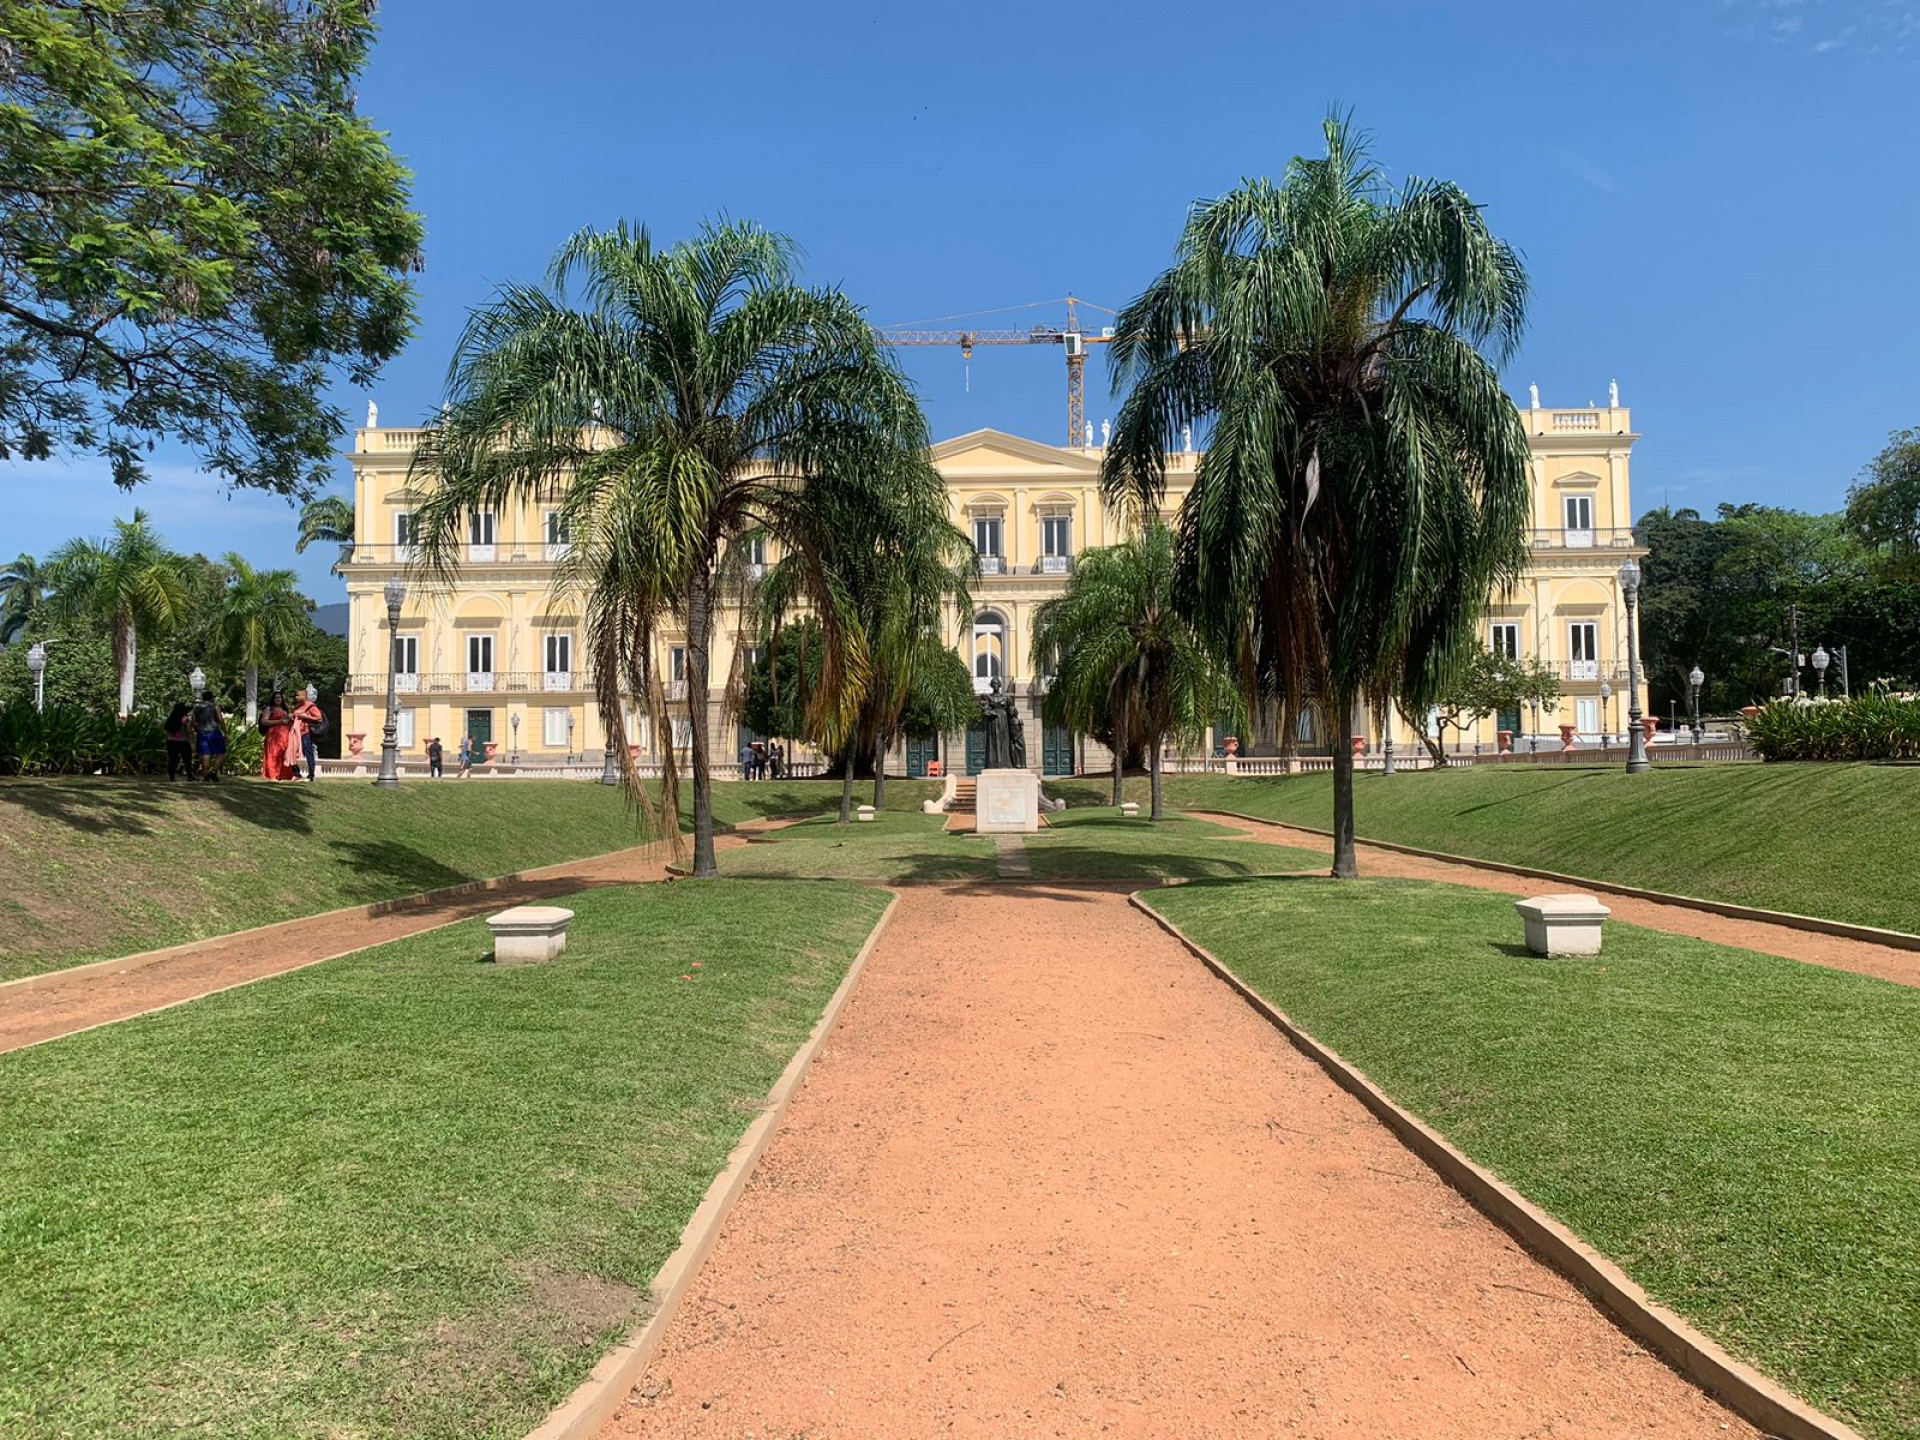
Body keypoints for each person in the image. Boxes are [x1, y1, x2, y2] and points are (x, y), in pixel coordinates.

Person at [192, 690, 227, 781]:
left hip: (202, 733)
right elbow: (220, 719)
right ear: (212, 698)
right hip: (214, 732)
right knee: (221, 753)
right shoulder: (215, 707)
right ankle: (214, 772)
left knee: (205, 754)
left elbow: (193, 722)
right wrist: (225, 731)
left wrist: (196, 729)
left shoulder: (196, 708)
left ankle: (205, 775)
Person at [260, 690, 294, 781]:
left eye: (279, 697)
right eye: (276, 697)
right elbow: (264, 721)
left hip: (285, 736)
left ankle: (280, 776)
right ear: (273, 699)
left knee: (282, 755)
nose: (278, 699)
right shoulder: (269, 709)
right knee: (273, 755)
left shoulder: (285, 710)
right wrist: (279, 721)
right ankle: (272, 776)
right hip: (273, 736)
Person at [291, 689, 325, 782]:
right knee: (292, 752)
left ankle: (310, 775)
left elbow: (319, 718)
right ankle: (296, 773)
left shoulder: (311, 706)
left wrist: (306, 717)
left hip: (306, 733)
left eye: (298, 695)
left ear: (304, 696)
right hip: (296, 733)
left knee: (308, 753)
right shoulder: (298, 706)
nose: (296, 697)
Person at [164, 703, 194, 780]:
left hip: (171, 741)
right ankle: (189, 776)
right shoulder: (185, 719)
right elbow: (189, 731)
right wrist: (192, 742)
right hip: (183, 741)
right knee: (187, 759)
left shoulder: (171, 719)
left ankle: (171, 776)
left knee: (172, 759)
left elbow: (167, 730)